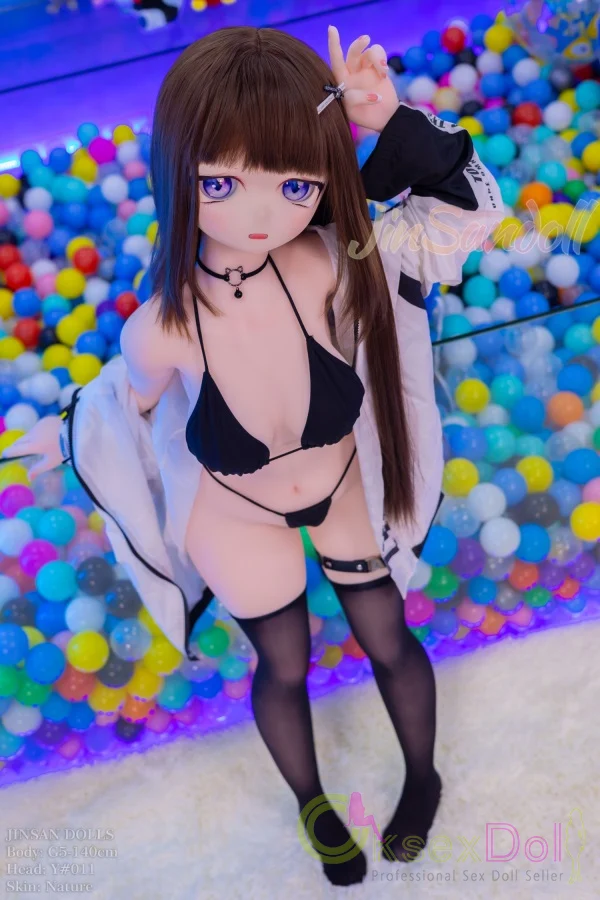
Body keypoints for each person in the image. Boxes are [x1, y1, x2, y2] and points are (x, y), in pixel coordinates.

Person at [4, 25, 503, 886]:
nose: (263, 214)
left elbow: (463, 214)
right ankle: (313, 803)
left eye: (296, 182)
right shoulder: (160, 326)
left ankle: (422, 778)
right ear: (178, 173)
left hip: (342, 483)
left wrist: (387, 123)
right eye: (221, 183)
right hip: (237, 515)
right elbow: (124, 407)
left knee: (388, 634)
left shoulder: (339, 260)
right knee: (283, 665)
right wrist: (68, 425)